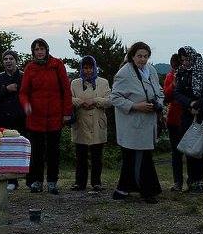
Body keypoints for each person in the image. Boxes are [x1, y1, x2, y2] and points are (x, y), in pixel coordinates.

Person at [110, 41, 165, 204]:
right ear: (132, 56)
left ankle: (129, 189)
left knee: (143, 156)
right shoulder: (124, 73)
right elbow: (114, 97)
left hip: (148, 122)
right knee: (134, 157)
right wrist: (135, 106)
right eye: (139, 56)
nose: (142, 59)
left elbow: (159, 91)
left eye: (146, 56)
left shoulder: (152, 71)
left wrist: (158, 104)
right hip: (132, 123)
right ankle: (144, 191)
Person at [19, 38, 73, 194]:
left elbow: (66, 91)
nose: (39, 52)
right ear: (33, 52)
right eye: (36, 49)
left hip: (55, 116)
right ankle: (36, 181)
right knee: (36, 151)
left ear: (47, 50)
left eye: (42, 48)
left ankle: (52, 182)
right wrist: (26, 105)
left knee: (53, 151)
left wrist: (67, 113)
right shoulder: (30, 68)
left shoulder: (57, 65)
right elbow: (23, 92)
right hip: (35, 117)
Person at [172, 46, 203, 193]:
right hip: (187, 114)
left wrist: (198, 104)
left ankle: (199, 182)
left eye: (186, 59)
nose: (184, 62)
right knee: (189, 148)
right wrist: (190, 103)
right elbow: (177, 93)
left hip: (202, 114)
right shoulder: (182, 72)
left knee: (199, 150)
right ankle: (191, 181)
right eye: (182, 60)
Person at [70, 55, 111, 193]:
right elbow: (68, 98)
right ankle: (79, 183)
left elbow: (110, 101)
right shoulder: (74, 83)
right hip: (81, 122)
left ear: (95, 68)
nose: (88, 71)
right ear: (81, 68)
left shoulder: (103, 82)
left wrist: (94, 101)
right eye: (85, 68)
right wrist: (80, 102)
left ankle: (96, 182)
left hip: (97, 123)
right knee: (80, 155)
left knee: (97, 156)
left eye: (90, 67)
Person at [0, 50, 26, 190]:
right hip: (4, 118)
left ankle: (30, 179)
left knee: (23, 149)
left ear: (16, 60)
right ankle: (11, 181)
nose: (8, 61)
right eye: (5, 59)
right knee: (7, 150)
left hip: (21, 118)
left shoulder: (23, 76)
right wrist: (6, 89)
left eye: (11, 58)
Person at [163, 52, 187, 192]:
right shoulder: (170, 76)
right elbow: (166, 96)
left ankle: (195, 181)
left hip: (187, 117)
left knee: (191, 151)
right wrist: (173, 84)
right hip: (174, 118)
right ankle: (177, 182)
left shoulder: (190, 75)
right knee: (176, 152)